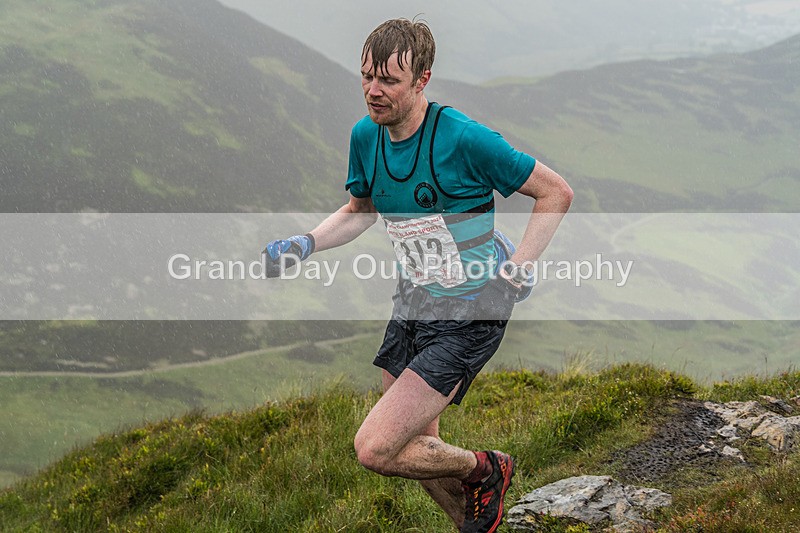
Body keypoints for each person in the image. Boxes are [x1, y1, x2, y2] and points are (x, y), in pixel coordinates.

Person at [263, 18, 572, 533]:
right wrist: (308, 242)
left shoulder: (465, 139)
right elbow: (361, 209)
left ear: (423, 79)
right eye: (366, 76)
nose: (372, 91)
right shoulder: (367, 136)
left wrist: (518, 269)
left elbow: (555, 191)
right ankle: (471, 523)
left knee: (377, 447)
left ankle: (486, 468)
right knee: (417, 446)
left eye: (388, 81)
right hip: (412, 306)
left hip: (472, 311)